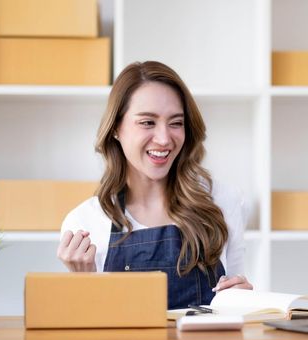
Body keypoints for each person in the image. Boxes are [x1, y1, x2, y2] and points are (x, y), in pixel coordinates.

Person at [57, 61, 253, 309]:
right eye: (147, 122)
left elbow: (237, 306)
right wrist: (82, 283)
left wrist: (243, 298)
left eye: (176, 123)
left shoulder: (224, 201)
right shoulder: (84, 223)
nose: (164, 139)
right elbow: (87, 335)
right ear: (116, 128)